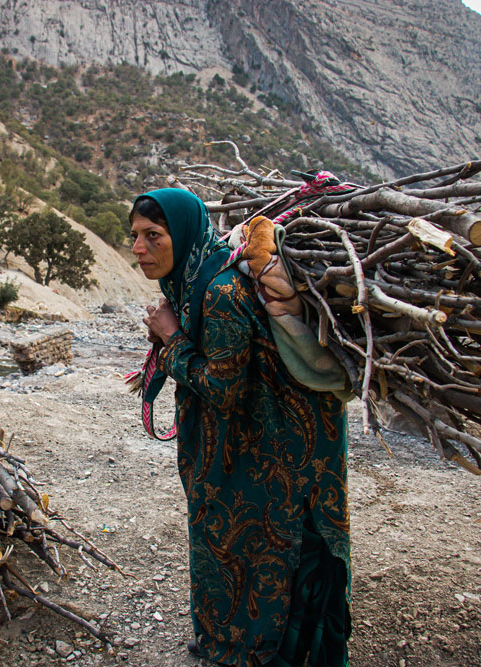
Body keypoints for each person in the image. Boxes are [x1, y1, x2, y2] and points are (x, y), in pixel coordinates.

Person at [130, 188, 351, 666]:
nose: (139, 249)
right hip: (242, 448)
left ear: (182, 234)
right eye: (134, 237)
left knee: (257, 549)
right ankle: (223, 642)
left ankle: (256, 652)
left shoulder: (222, 291)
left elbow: (225, 388)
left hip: (275, 450)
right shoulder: (190, 280)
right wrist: (173, 339)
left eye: (153, 236)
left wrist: (171, 340)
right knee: (223, 545)